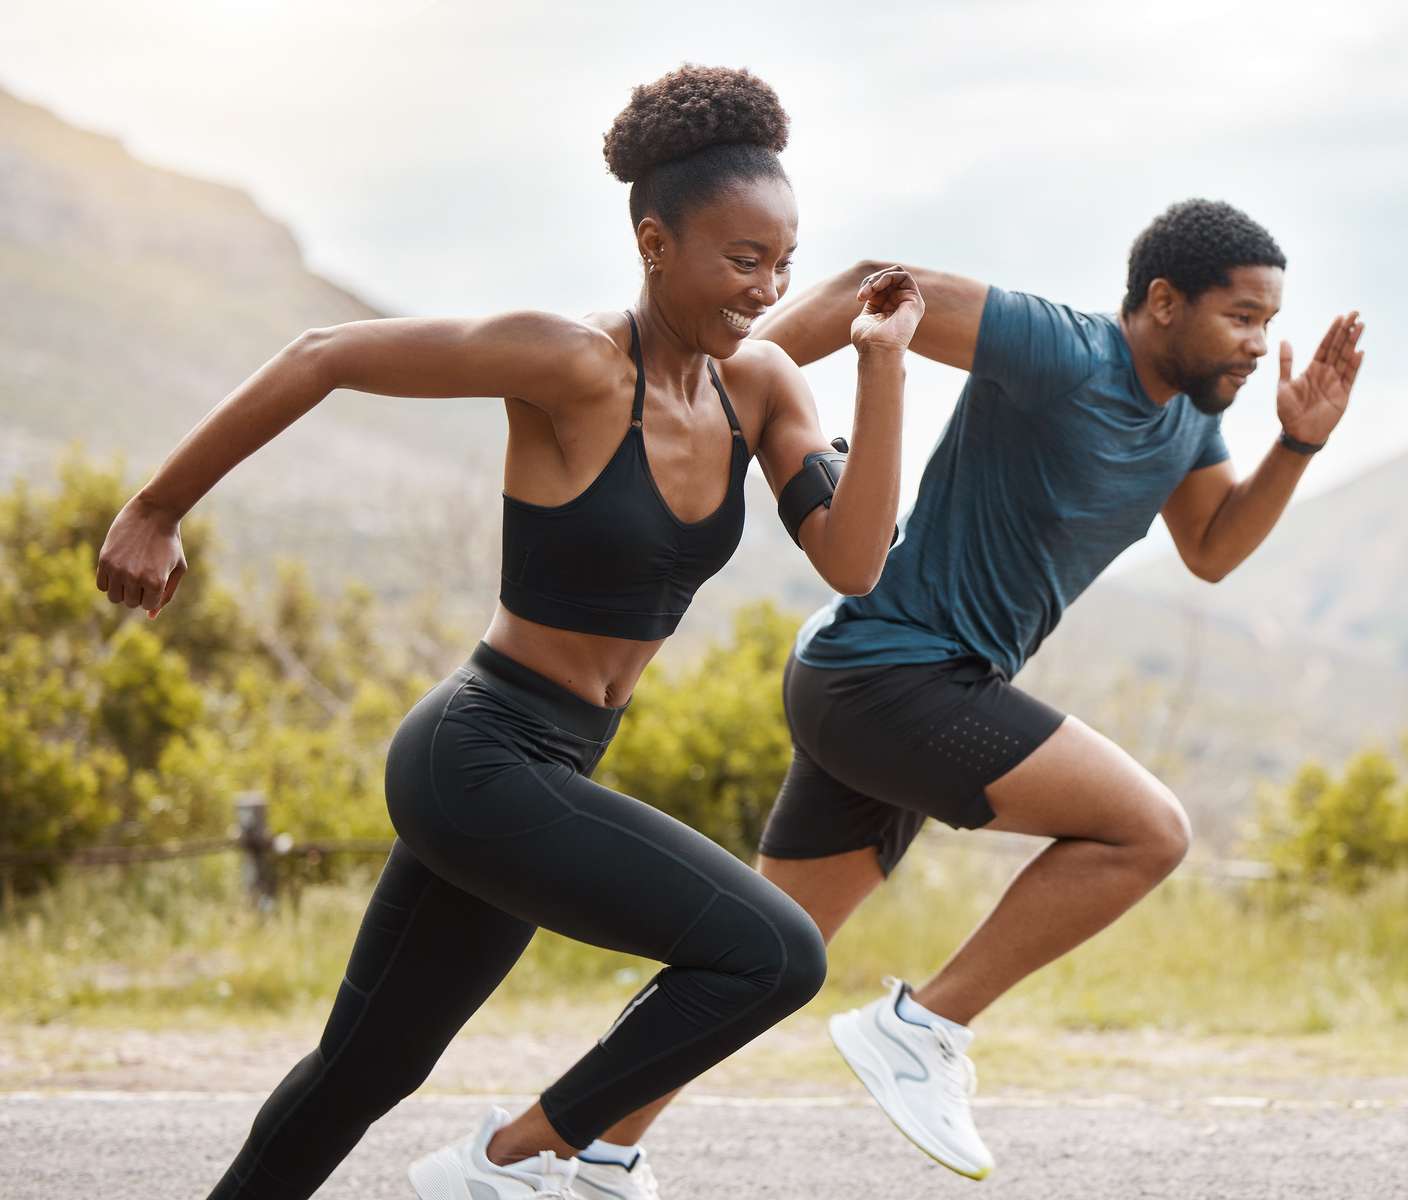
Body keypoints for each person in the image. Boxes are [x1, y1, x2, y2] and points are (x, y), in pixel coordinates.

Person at [93, 65, 924, 1200]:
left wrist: (881, 372)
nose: (767, 286)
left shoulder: (765, 386)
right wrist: (155, 507)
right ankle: (513, 1161)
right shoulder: (570, 363)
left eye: (783, 260)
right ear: (654, 244)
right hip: (478, 754)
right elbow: (321, 354)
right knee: (776, 954)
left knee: (363, 1069)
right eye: (742, 260)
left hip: (550, 766)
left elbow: (855, 559)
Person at [594, 199, 1367, 1181]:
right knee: (1148, 832)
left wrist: (1296, 446)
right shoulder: (1062, 349)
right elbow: (871, 285)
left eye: (1269, 320)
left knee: (757, 962)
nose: (1261, 345)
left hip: (885, 688)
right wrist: (705, 402)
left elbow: (1212, 549)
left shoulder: (1186, 427)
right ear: (1164, 303)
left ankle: (574, 1149)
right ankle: (923, 1028)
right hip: (896, 679)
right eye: (1243, 317)